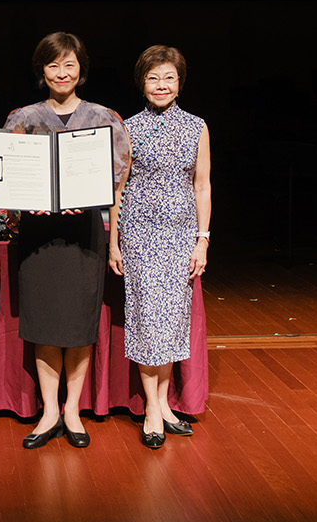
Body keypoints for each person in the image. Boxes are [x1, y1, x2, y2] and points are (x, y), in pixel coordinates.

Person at [2, 33, 130, 450]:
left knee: (77, 324)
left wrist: (91, 198)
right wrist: (27, 202)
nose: (62, 73)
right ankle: (49, 411)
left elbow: (118, 176)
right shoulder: (23, 118)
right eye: (53, 65)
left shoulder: (104, 117)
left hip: (84, 233)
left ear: (81, 69)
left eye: (69, 64)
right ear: (42, 70)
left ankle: (72, 409)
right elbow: (8, 176)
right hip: (38, 235)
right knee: (44, 323)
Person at [108, 44, 211, 450]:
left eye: (169, 78)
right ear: (142, 83)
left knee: (171, 320)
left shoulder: (197, 127)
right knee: (147, 318)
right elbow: (118, 189)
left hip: (181, 235)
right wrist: (114, 242)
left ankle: (164, 404)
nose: (161, 85)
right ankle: (153, 407)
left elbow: (202, 186)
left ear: (180, 83)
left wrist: (203, 239)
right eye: (153, 78)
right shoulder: (128, 128)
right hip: (140, 233)